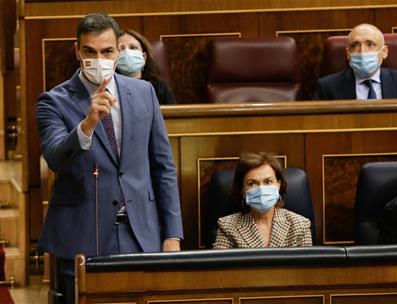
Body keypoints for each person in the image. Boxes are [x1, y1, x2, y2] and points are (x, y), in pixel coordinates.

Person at [36, 13, 183, 303]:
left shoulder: (144, 92)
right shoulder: (54, 101)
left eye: (106, 51)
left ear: (117, 50)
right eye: (89, 51)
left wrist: (173, 234)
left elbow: (163, 167)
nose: (98, 58)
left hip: (141, 232)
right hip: (82, 234)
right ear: (77, 50)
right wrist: (86, 125)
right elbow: (55, 158)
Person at [213, 152, 312, 249]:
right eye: (252, 183)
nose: (261, 189)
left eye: (268, 182)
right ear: (243, 190)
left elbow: (307, 265)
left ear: (278, 185)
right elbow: (220, 265)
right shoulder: (228, 226)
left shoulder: (300, 225)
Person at [314, 23, 397, 100]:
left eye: (370, 44)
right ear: (348, 54)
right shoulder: (327, 87)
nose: (362, 51)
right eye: (355, 45)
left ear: (384, 52)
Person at [116, 29, 176, 104]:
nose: (127, 52)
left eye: (133, 47)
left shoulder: (160, 87)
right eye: (121, 49)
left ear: (144, 57)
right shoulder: (110, 88)